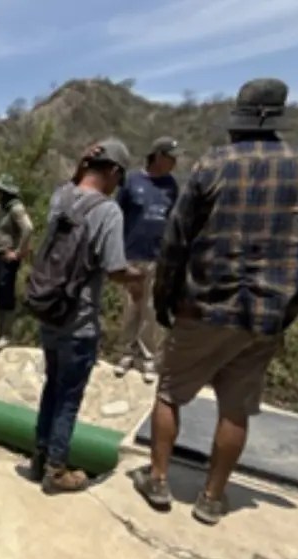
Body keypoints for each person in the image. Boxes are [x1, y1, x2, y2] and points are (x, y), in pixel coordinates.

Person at [132, 78, 298, 525]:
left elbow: (176, 242)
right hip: (266, 316)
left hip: (204, 306)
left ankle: (158, 481)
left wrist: (164, 300)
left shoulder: (214, 165)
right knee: (235, 406)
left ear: (238, 123)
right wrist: (297, 296)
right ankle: (213, 498)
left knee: (171, 393)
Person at [28, 138, 144, 493]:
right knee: (68, 397)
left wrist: (80, 166)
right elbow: (114, 269)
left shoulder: (60, 198)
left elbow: (71, 183)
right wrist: (138, 276)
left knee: (52, 386)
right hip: (79, 321)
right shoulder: (107, 212)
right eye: (118, 179)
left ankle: (39, 457)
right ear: (113, 171)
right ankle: (57, 469)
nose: (116, 186)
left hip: (49, 311)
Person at [113, 137, 183, 383]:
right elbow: (116, 219)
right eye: (171, 157)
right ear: (158, 156)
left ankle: (148, 359)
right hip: (131, 256)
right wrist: (118, 258)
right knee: (131, 307)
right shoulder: (132, 181)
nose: (174, 162)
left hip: (158, 258)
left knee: (151, 310)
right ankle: (125, 353)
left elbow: (175, 221)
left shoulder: (171, 186)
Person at [0, 174, 35, 353]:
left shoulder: (16, 208)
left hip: (7, 256)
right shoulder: (0, 209)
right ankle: (0, 332)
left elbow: (28, 228)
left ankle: (7, 334)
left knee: (6, 294)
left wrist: (18, 252)